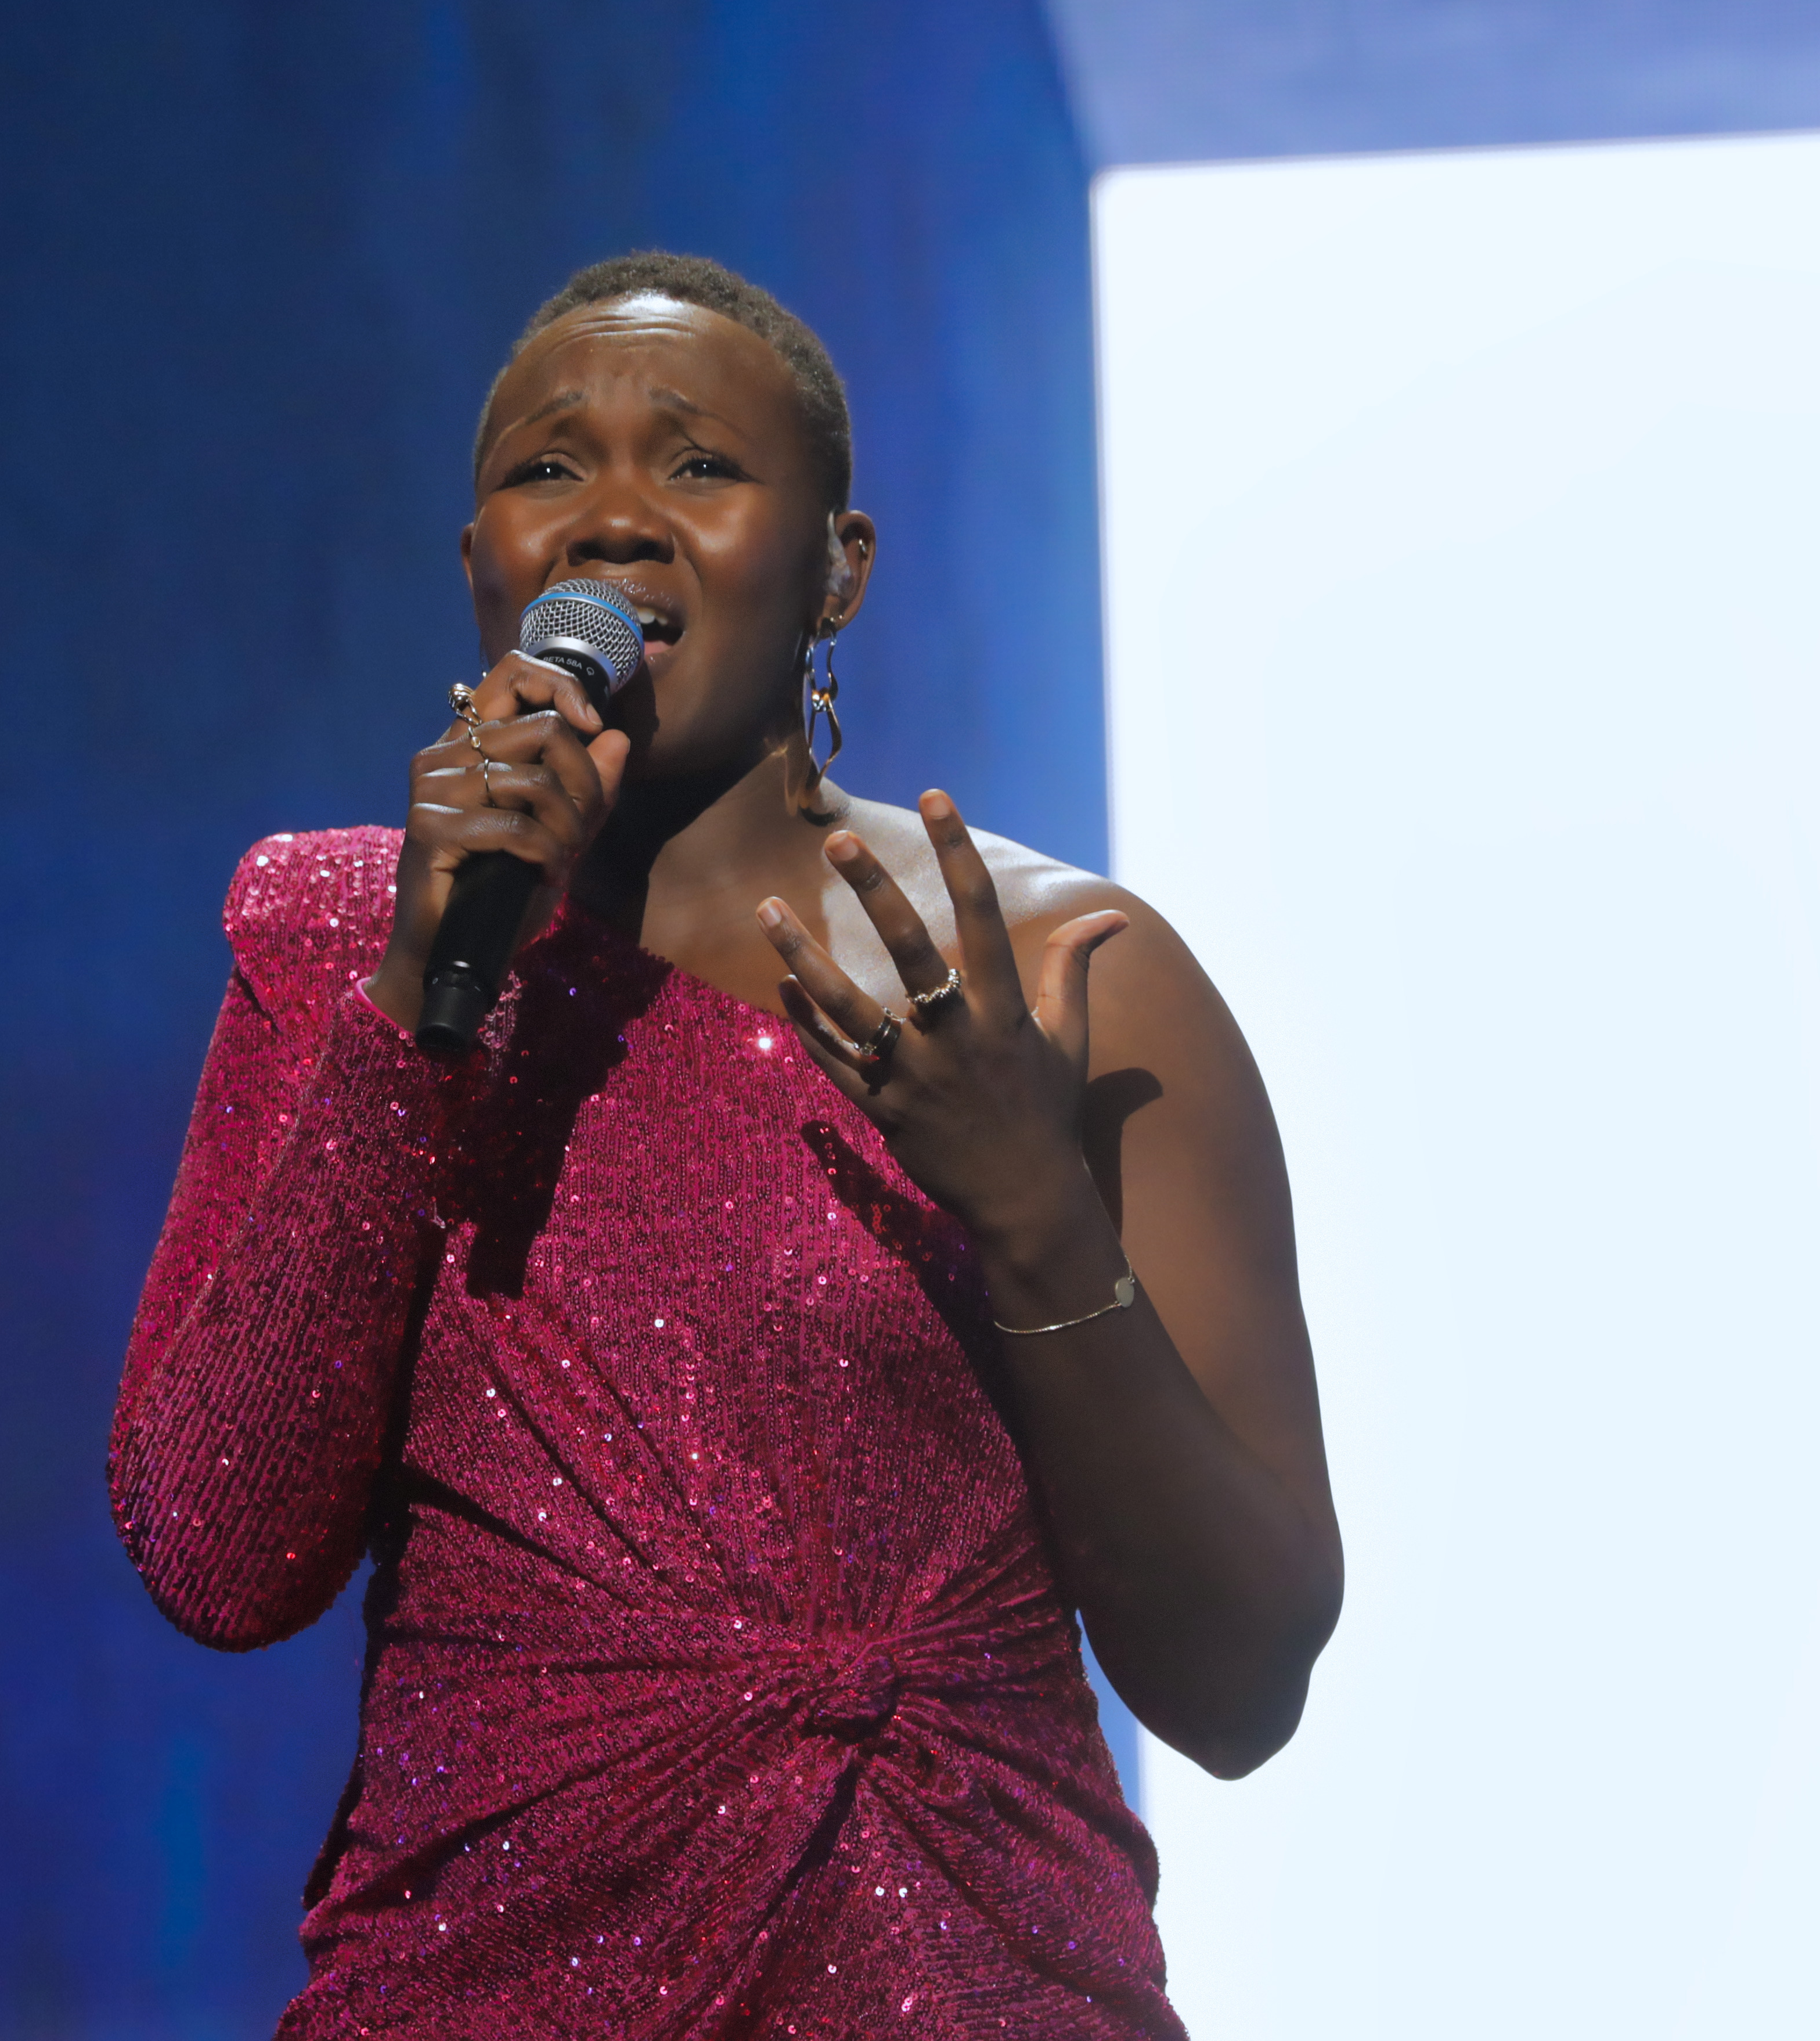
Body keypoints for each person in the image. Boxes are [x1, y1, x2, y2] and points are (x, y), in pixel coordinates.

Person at [109, 252, 1343, 2037]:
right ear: (482, 567)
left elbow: (1239, 1686)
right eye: (548, 469)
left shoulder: (1063, 976)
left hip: (963, 1979)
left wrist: (1033, 1212)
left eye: (697, 464)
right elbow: (218, 1556)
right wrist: (422, 1009)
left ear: (839, 565)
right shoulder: (341, 940)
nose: (615, 517)